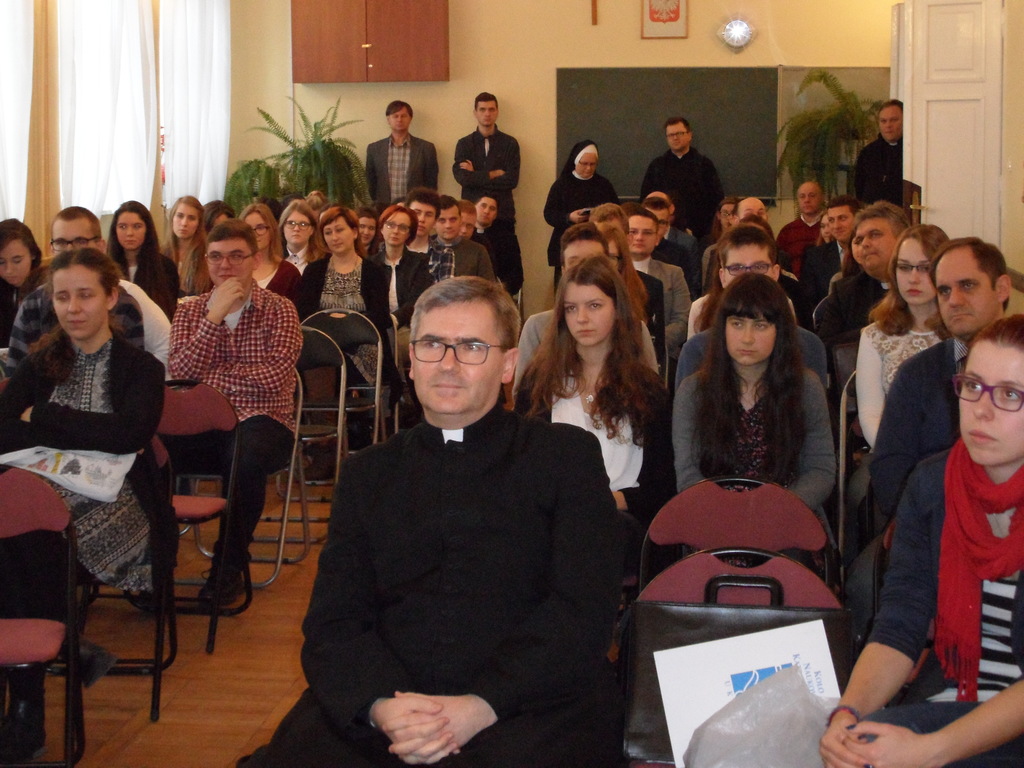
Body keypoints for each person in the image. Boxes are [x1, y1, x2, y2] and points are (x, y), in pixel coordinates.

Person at [239, 276, 624, 768]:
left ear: (508, 365)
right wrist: (382, 707)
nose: (447, 363)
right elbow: (334, 620)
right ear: (411, 361)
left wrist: (481, 705)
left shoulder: (564, 458)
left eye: (472, 347)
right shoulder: (368, 473)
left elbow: (582, 609)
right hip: (392, 704)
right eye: (431, 345)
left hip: (528, 701)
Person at [820, 315, 1024, 768]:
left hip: (1005, 721)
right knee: (855, 749)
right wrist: (848, 714)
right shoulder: (933, 483)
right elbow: (900, 622)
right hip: (953, 695)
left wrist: (930, 750)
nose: (982, 409)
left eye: (1010, 394)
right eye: (973, 386)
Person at [0, 248, 171, 763]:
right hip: (46, 500)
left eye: (85, 295)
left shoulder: (140, 367)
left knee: (22, 537)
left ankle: (29, 702)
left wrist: (44, 417)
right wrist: (81, 430)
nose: (73, 308)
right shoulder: (42, 360)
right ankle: (54, 662)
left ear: (111, 297)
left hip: (119, 504)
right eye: (62, 297)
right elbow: (3, 426)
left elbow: (128, 435)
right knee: (25, 532)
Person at [167, 218, 301, 601]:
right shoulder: (189, 311)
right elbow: (181, 374)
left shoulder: (281, 310)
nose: (225, 265)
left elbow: (274, 378)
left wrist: (210, 380)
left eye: (236, 256)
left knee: (244, 456)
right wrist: (213, 318)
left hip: (264, 421)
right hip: (201, 425)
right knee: (147, 451)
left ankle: (228, 567)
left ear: (255, 260)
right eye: (216, 257)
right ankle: (154, 564)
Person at [516, 256, 673, 531]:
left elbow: (662, 484)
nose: (582, 318)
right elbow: (523, 471)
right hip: (554, 524)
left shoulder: (647, 389)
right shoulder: (538, 383)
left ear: (617, 309)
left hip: (627, 524)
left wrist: (606, 501)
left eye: (594, 306)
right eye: (571, 308)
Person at [871, 237, 1010, 520]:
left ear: (1002, 289)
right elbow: (890, 470)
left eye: (967, 285)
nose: (954, 301)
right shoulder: (916, 373)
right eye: (944, 290)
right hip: (935, 524)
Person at [673, 274, 835, 513]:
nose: (747, 338)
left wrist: (774, 510)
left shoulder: (806, 387)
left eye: (760, 325)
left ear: (780, 331)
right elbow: (688, 475)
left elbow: (820, 471)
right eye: (737, 324)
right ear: (722, 328)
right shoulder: (693, 391)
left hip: (789, 513)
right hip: (713, 514)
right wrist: (733, 512)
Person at [8, 207, 171, 371]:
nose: (70, 251)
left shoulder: (125, 305)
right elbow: (15, 376)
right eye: (61, 243)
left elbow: (131, 372)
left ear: (100, 246)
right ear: (51, 249)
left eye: (80, 242)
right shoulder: (32, 306)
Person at [677, 223, 829, 391]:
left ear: (775, 273)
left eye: (759, 267)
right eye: (737, 268)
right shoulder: (697, 349)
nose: (748, 276)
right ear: (722, 276)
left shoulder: (808, 345)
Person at [514, 223, 659, 394]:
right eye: (574, 263)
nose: (584, 270)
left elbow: (651, 392)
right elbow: (523, 396)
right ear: (563, 270)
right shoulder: (537, 327)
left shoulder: (635, 329)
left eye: (593, 262)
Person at [856, 224, 949, 448]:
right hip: (894, 450)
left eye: (924, 268)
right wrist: (896, 455)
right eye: (904, 267)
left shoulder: (964, 332)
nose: (913, 278)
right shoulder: (874, 336)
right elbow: (871, 414)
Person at [296, 205, 402, 398]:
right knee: (319, 357)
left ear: (354, 232)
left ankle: (341, 410)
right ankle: (327, 413)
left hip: (363, 348)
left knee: (329, 361)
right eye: (328, 232)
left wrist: (346, 324)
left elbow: (381, 317)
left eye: (339, 230)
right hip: (323, 346)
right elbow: (303, 315)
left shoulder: (373, 271)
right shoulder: (314, 271)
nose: (334, 237)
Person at [817, 201, 909, 352]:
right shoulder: (845, 292)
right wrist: (870, 332)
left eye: (874, 234)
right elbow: (824, 347)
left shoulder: (923, 286)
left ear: (902, 239)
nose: (864, 244)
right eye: (859, 239)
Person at [452, 92, 521, 250]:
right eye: (482, 109)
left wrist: (475, 174)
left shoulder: (510, 143)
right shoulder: (464, 144)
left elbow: (511, 180)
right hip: (470, 217)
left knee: (504, 261)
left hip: (502, 216)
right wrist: (493, 174)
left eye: (491, 109)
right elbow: (463, 178)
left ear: (497, 112)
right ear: (475, 113)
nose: (487, 114)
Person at [366, 204, 432, 368]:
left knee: (396, 344)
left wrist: (394, 320)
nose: (395, 231)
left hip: (408, 326)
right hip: (377, 326)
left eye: (402, 227)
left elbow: (417, 300)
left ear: (409, 233)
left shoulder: (420, 262)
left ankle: (395, 383)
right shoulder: (370, 264)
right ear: (382, 229)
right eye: (390, 225)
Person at [542, 139, 618, 277]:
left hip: (597, 243)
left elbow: (616, 211)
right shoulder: (561, 184)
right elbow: (549, 214)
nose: (588, 168)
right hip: (567, 242)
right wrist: (569, 217)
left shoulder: (604, 185)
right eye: (584, 164)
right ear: (576, 162)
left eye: (592, 164)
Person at [640, 116, 724, 239]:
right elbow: (646, 199)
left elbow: (716, 198)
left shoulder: (703, 164)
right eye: (671, 135)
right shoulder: (657, 166)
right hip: (662, 231)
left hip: (700, 230)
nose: (675, 138)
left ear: (689, 135)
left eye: (679, 133)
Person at [626, 207, 690, 363]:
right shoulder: (611, 274)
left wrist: (652, 344)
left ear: (657, 238)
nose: (639, 237)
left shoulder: (673, 273)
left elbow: (682, 319)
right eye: (633, 232)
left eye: (647, 233)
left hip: (664, 356)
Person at [108, 200, 180, 320]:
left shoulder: (165, 267)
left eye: (137, 226)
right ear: (115, 230)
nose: (129, 233)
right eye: (122, 227)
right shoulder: (106, 268)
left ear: (147, 229)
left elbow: (169, 310)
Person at [365, 100, 439, 208]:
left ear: (410, 119)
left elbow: (431, 183)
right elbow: (371, 181)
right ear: (388, 119)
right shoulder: (374, 149)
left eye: (403, 116)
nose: (399, 119)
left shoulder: (426, 148)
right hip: (384, 207)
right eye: (395, 116)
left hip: (415, 208)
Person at [802, 195, 862, 309]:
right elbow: (809, 303)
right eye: (831, 220)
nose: (836, 226)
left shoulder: (869, 253)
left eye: (842, 218)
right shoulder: (815, 257)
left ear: (858, 219)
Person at [241, 203, 301, 305]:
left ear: (272, 230)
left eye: (260, 228)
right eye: (248, 229)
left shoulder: (289, 273)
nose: (254, 234)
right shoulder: (233, 269)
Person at [427, 195, 495, 283]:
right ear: (433, 223)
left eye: (453, 220)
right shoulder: (425, 248)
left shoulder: (479, 251)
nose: (448, 225)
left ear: (459, 220)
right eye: (442, 220)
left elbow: (489, 287)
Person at [0, 219, 45, 349]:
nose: (9, 270)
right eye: (1, 262)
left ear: (33, 254)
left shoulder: (44, 289)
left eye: (17, 260)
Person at [854, 99, 904, 207]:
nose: (888, 125)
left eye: (894, 120)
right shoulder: (868, 153)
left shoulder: (913, 152)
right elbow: (859, 187)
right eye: (883, 121)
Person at [776, 180, 824, 277]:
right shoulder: (787, 231)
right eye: (802, 196)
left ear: (822, 198)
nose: (807, 200)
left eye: (812, 195)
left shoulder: (829, 228)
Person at [165, 195, 209, 296]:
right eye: (180, 216)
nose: (184, 223)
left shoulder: (206, 256)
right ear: (172, 218)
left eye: (191, 218)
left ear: (199, 223)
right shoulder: (161, 253)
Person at [699, 195, 741, 295]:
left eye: (733, 213)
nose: (729, 218)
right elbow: (706, 284)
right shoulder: (707, 244)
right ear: (718, 215)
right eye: (725, 213)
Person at [280, 198, 321, 275]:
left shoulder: (322, 261)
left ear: (312, 230)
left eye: (303, 224)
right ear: (283, 227)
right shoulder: (272, 259)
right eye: (291, 223)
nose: (296, 229)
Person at [404, 186, 441, 254]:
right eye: (417, 213)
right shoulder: (389, 248)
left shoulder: (442, 254)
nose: (422, 219)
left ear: (435, 221)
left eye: (428, 215)